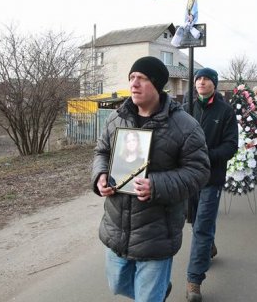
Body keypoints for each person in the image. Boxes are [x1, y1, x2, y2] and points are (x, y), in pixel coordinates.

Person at [92, 56, 210, 302]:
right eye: (132, 78)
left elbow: (198, 171)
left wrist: (156, 184)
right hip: (117, 226)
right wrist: (101, 175)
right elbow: (102, 152)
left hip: (157, 230)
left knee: (147, 298)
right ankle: (159, 291)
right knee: (118, 284)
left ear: (157, 85)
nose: (134, 84)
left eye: (142, 79)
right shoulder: (117, 118)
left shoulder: (185, 126)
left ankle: (154, 294)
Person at [183, 67, 239, 302]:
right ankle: (209, 247)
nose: (202, 82)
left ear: (214, 84)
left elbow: (231, 145)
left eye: (206, 79)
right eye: (199, 79)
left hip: (211, 178)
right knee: (194, 221)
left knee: (203, 225)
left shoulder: (225, 111)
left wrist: (207, 156)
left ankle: (194, 281)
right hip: (187, 178)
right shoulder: (186, 109)